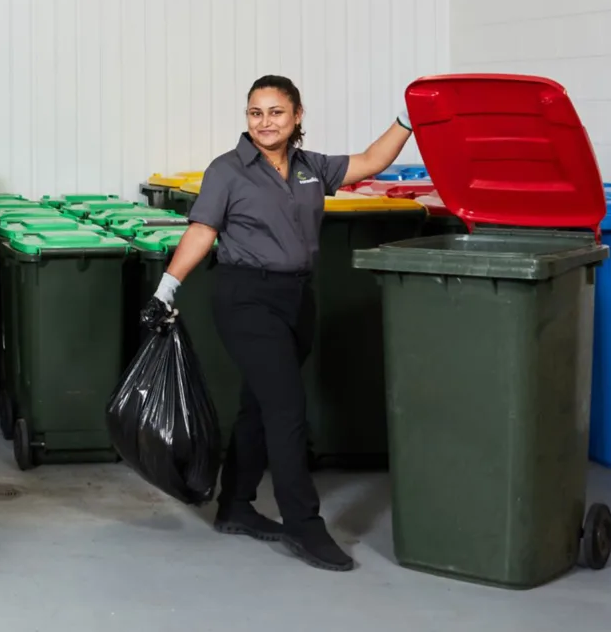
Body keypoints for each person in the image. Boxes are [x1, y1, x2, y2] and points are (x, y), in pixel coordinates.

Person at [144, 75, 412, 572]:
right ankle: (304, 525)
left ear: (297, 116)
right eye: (255, 112)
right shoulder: (227, 170)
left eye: (275, 112)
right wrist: (168, 286)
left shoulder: (312, 168)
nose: (265, 122)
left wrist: (406, 120)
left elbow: (372, 162)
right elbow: (203, 230)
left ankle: (235, 505)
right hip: (245, 297)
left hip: (296, 298)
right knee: (287, 407)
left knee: (258, 406)